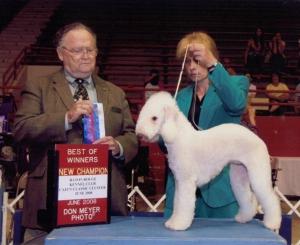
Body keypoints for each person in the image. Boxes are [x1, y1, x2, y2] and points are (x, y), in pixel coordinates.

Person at [13, 22, 138, 244]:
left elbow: (131, 136)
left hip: (105, 200)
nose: (86, 56)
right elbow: (22, 128)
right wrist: (65, 118)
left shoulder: (116, 92)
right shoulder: (38, 86)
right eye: (78, 50)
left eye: (90, 50)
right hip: (49, 201)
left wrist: (118, 146)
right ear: (61, 54)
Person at [164, 32, 249, 219]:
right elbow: (166, 146)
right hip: (180, 195)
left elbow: (237, 105)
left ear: (210, 57)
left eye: (197, 60)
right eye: (187, 62)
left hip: (220, 196)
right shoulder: (178, 98)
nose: (192, 67)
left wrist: (213, 64)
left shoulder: (236, 83)